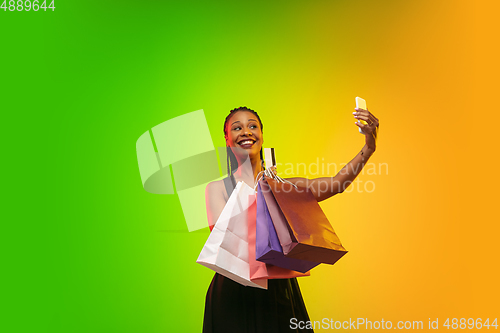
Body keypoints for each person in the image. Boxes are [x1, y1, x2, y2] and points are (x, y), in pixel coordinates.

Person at [202, 106, 379, 332]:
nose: (246, 131)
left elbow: (336, 184)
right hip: (234, 293)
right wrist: (267, 193)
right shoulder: (217, 189)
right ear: (227, 139)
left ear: (261, 136)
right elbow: (225, 238)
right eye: (237, 128)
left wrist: (369, 147)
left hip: (279, 290)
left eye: (252, 126)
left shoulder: (284, 187)